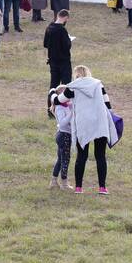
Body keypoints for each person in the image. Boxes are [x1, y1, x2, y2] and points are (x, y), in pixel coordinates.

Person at [57, 66, 118, 194]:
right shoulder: (98, 84)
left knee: (82, 156)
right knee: (100, 155)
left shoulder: (73, 86)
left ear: (76, 75)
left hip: (83, 123)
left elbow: (60, 100)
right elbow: (108, 106)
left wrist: (52, 93)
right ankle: (102, 187)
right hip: (100, 123)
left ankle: (78, 187)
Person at [48, 88, 72, 190]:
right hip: (64, 135)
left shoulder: (66, 105)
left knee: (60, 159)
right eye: (64, 93)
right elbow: (62, 123)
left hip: (64, 135)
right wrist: (72, 113)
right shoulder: (60, 107)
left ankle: (53, 181)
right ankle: (64, 184)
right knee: (65, 160)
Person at [44, 10, 72, 88]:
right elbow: (67, 46)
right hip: (63, 61)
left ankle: (51, 99)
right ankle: (64, 100)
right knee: (66, 84)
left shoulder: (49, 28)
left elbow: (45, 44)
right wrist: (69, 40)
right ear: (66, 18)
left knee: (53, 84)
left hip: (52, 60)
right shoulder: (62, 30)